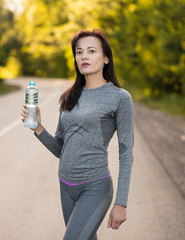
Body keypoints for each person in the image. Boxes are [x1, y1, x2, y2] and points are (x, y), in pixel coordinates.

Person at [21, 28, 134, 240]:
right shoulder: (69, 96)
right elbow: (60, 149)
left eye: (91, 51)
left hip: (95, 187)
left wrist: (121, 201)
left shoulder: (119, 98)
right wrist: (38, 128)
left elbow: (126, 152)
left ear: (106, 58)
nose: (84, 56)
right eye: (79, 52)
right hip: (65, 185)